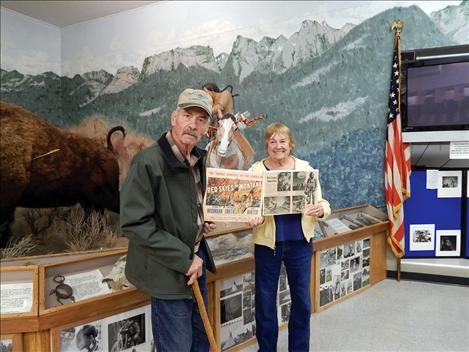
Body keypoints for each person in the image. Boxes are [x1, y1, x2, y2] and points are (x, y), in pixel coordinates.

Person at [120, 88, 217, 352]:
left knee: (200, 343)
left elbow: (186, 206)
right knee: (177, 347)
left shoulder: (198, 160)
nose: (192, 124)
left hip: (196, 265)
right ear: (174, 117)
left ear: (207, 127)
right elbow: (135, 224)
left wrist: (201, 221)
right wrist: (184, 259)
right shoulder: (148, 163)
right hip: (169, 271)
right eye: (187, 115)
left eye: (200, 120)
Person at [247, 122, 331, 352]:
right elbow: (248, 206)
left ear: (290, 144)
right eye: (272, 141)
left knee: (302, 302)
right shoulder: (256, 171)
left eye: (282, 141)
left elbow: (322, 203)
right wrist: (252, 216)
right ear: (267, 145)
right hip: (267, 245)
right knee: (265, 302)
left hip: (300, 244)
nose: (278, 146)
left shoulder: (305, 168)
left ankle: (299, 349)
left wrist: (321, 210)